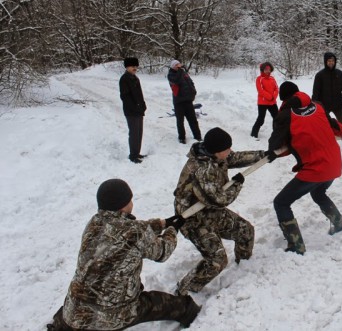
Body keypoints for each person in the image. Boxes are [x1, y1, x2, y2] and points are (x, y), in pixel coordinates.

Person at [47, 179, 200, 330]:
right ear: (124, 206)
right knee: (172, 305)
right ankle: (194, 316)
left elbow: (128, 231)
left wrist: (161, 223)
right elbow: (162, 252)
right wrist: (172, 230)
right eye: (130, 199)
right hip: (112, 315)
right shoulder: (135, 232)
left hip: (73, 312)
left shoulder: (94, 224)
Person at [173, 127, 266, 296]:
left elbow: (235, 158)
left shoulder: (215, 155)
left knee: (245, 231)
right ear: (216, 151)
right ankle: (185, 290)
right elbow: (219, 200)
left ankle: (243, 269)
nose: (230, 151)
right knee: (217, 260)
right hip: (193, 219)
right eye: (227, 149)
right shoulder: (202, 170)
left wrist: (264, 155)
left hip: (210, 211)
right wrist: (237, 184)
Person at [267, 81, 342, 255]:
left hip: (315, 169)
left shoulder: (285, 116)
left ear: (283, 99)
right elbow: (334, 125)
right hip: (334, 164)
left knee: (281, 202)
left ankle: (296, 246)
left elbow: (275, 146)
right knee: (318, 192)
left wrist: (276, 150)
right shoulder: (317, 106)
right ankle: (339, 223)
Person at [312, 52, 342, 147]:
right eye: (329, 61)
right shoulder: (320, 75)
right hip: (324, 106)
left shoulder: (339, 73)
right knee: (321, 125)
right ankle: (320, 143)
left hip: (338, 104)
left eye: (333, 61)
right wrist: (315, 105)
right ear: (325, 62)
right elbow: (316, 92)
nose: (331, 62)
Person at [119, 57, 146, 164]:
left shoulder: (135, 78)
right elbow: (125, 97)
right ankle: (133, 155)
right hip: (131, 112)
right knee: (134, 133)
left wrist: (143, 105)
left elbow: (140, 94)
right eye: (132, 66)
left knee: (139, 133)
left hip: (139, 110)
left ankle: (137, 152)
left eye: (136, 66)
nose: (135, 68)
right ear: (127, 67)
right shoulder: (124, 79)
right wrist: (135, 107)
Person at [168, 60, 202, 144]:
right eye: (176, 65)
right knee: (180, 121)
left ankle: (198, 136)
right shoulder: (171, 75)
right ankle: (182, 137)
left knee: (193, 120)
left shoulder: (183, 73)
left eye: (179, 65)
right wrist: (179, 71)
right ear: (173, 66)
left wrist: (193, 91)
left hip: (188, 101)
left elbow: (190, 82)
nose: (178, 66)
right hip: (179, 102)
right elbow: (177, 81)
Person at [250, 62, 279, 139]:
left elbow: (276, 88)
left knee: (277, 118)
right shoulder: (259, 79)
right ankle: (253, 134)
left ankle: (277, 133)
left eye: (269, 69)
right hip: (262, 102)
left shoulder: (272, 78)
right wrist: (270, 97)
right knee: (261, 119)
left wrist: (274, 97)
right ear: (262, 70)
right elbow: (260, 90)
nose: (268, 71)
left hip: (272, 102)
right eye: (266, 69)